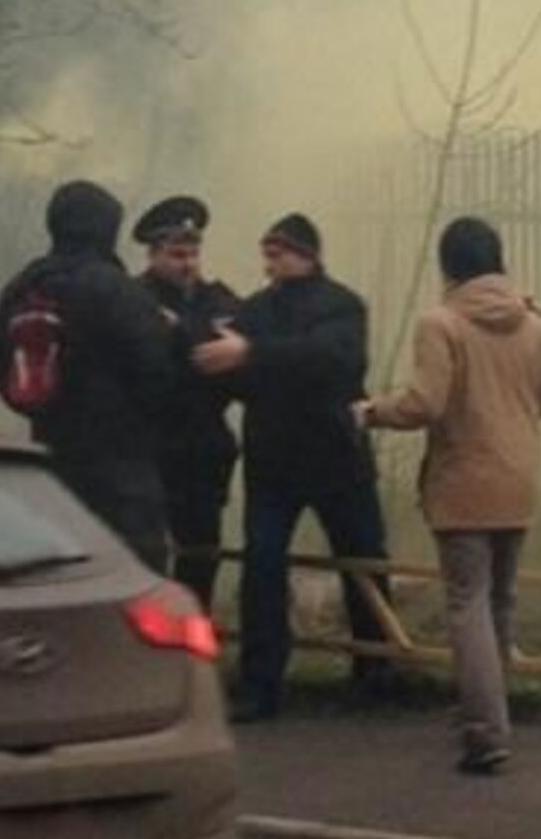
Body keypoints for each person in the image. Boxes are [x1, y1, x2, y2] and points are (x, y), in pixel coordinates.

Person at [359, 217, 541, 776]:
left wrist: (372, 411)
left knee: (466, 604)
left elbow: (425, 403)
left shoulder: (440, 324)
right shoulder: (534, 326)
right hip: (519, 478)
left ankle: (484, 730)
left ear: (448, 266)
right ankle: (492, 711)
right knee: (500, 600)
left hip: (464, 480)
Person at [192, 212, 393, 723]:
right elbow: (235, 373)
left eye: (278, 252)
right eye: (266, 253)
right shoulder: (256, 310)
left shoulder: (342, 306)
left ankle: (377, 670)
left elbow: (333, 359)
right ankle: (261, 681)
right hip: (274, 462)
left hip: (336, 457)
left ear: (308, 253)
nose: (269, 263)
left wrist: (253, 355)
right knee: (262, 568)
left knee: (364, 563)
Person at [0, 180, 176, 569]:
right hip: (121, 464)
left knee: (59, 568)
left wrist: (45, 410)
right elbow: (156, 371)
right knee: (134, 575)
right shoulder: (120, 291)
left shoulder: (24, 287)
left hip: (49, 454)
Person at [133, 196, 242, 610]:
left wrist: (183, 331)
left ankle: (194, 639)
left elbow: (227, 360)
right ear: (154, 254)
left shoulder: (220, 300)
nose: (188, 264)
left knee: (200, 556)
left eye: (193, 253)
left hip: (203, 449)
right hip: (151, 446)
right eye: (177, 254)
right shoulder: (134, 299)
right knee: (146, 555)